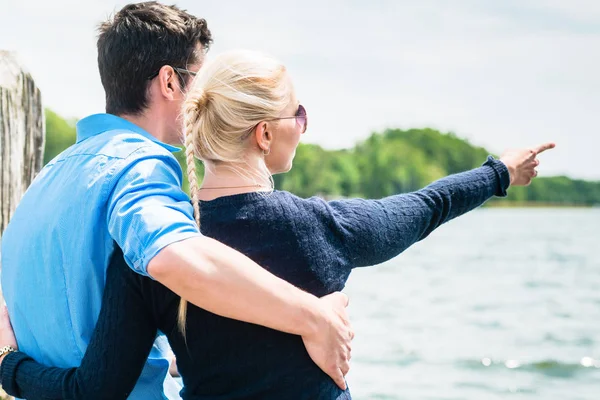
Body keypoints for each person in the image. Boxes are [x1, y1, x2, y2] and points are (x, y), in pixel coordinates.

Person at [0, 50, 554, 399]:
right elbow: (427, 206)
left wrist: (9, 364)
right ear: (264, 135)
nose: (304, 126)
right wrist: (499, 172)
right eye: (300, 115)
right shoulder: (321, 227)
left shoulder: (142, 254)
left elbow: (95, 390)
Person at [0, 4, 353, 400]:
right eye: (202, 85)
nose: (210, 102)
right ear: (169, 83)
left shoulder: (48, 178)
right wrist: (313, 318)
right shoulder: (140, 166)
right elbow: (173, 255)